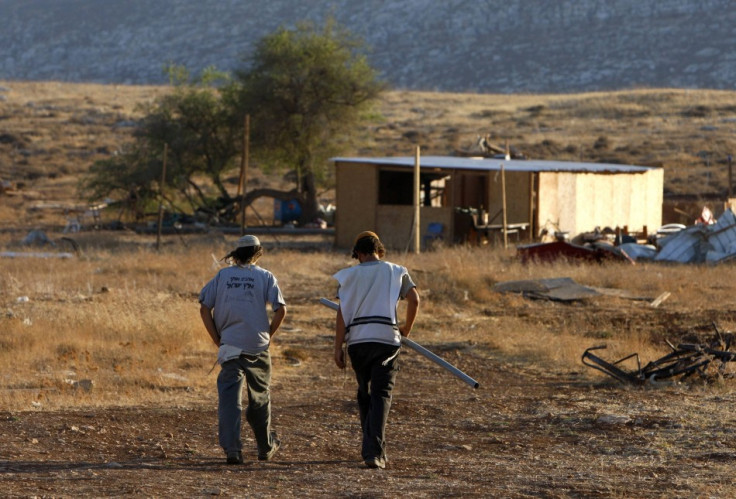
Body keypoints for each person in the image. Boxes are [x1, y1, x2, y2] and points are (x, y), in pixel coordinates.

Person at [332, 231, 420, 469]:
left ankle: (371, 445)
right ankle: (374, 451)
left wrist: (337, 347)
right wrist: (406, 328)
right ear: (379, 251)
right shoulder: (396, 270)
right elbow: (414, 300)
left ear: (358, 253)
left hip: (358, 342)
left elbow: (342, 314)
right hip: (386, 342)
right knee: (380, 395)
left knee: (364, 393)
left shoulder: (348, 276)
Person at [199, 235, 286, 465]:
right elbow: (281, 310)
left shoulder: (223, 275)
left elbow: (204, 308)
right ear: (258, 253)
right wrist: (269, 333)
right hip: (258, 346)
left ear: (235, 254)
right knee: (260, 398)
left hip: (230, 346)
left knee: (229, 401)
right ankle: (265, 447)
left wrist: (217, 339)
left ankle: (233, 451)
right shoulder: (266, 276)